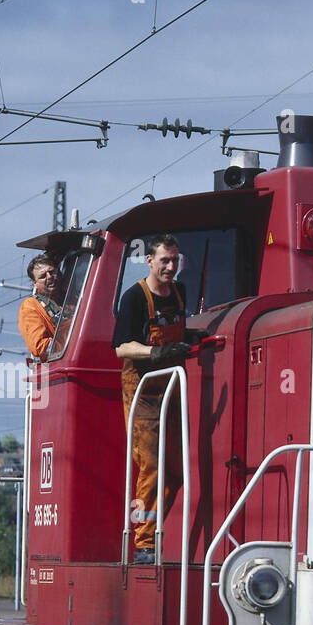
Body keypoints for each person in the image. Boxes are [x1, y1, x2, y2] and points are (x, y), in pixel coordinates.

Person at [112, 234, 193, 563]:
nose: (171, 267)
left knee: (175, 469)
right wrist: (157, 351)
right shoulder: (134, 298)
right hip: (142, 388)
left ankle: (160, 531)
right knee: (151, 465)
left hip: (171, 387)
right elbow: (121, 348)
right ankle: (144, 544)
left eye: (175, 260)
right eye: (164, 260)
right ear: (149, 261)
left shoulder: (179, 293)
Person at [18, 254, 62, 358]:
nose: (49, 277)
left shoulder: (74, 296)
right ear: (34, 282)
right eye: (43, 276)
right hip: (58, 364)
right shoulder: (31, 306)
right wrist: (72, 345)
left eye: (52, 272)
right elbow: (40, 347)